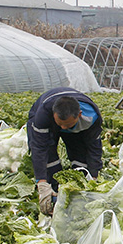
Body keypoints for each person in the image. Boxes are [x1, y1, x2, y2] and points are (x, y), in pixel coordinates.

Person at [27, 87, 103, 215]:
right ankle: (53, 198)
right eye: (60, 125)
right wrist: (41, 182)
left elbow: (94, 148)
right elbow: (39, 148)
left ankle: (77, 196)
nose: (62, 128)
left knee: (81, 158)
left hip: (78, 127)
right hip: (48, 123)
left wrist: (93, 177)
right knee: (50, 161)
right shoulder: (44, 114)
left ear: (79, 115)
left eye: (66, 125)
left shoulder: (91, 118)